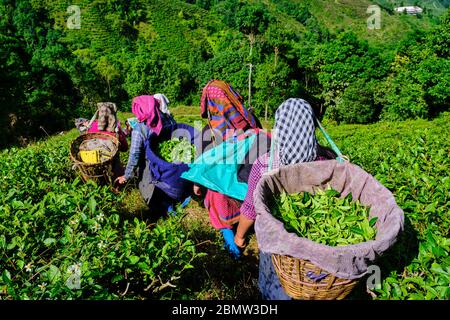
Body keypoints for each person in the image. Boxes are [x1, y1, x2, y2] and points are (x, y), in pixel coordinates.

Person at [232, 98, 337, 299]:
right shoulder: (327, 161)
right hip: (319, 252)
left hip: (278, 250)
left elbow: (250, 210)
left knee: (277, 289)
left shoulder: (265, 165)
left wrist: (240, 237)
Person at [193, 80, 262, 259]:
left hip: (225, 192)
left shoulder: (209, 132)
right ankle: (245, 230)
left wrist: (197, 184)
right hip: (251, 189)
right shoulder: (251, 121)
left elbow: (204, 164)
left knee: (216, 199)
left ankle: (232, 247)